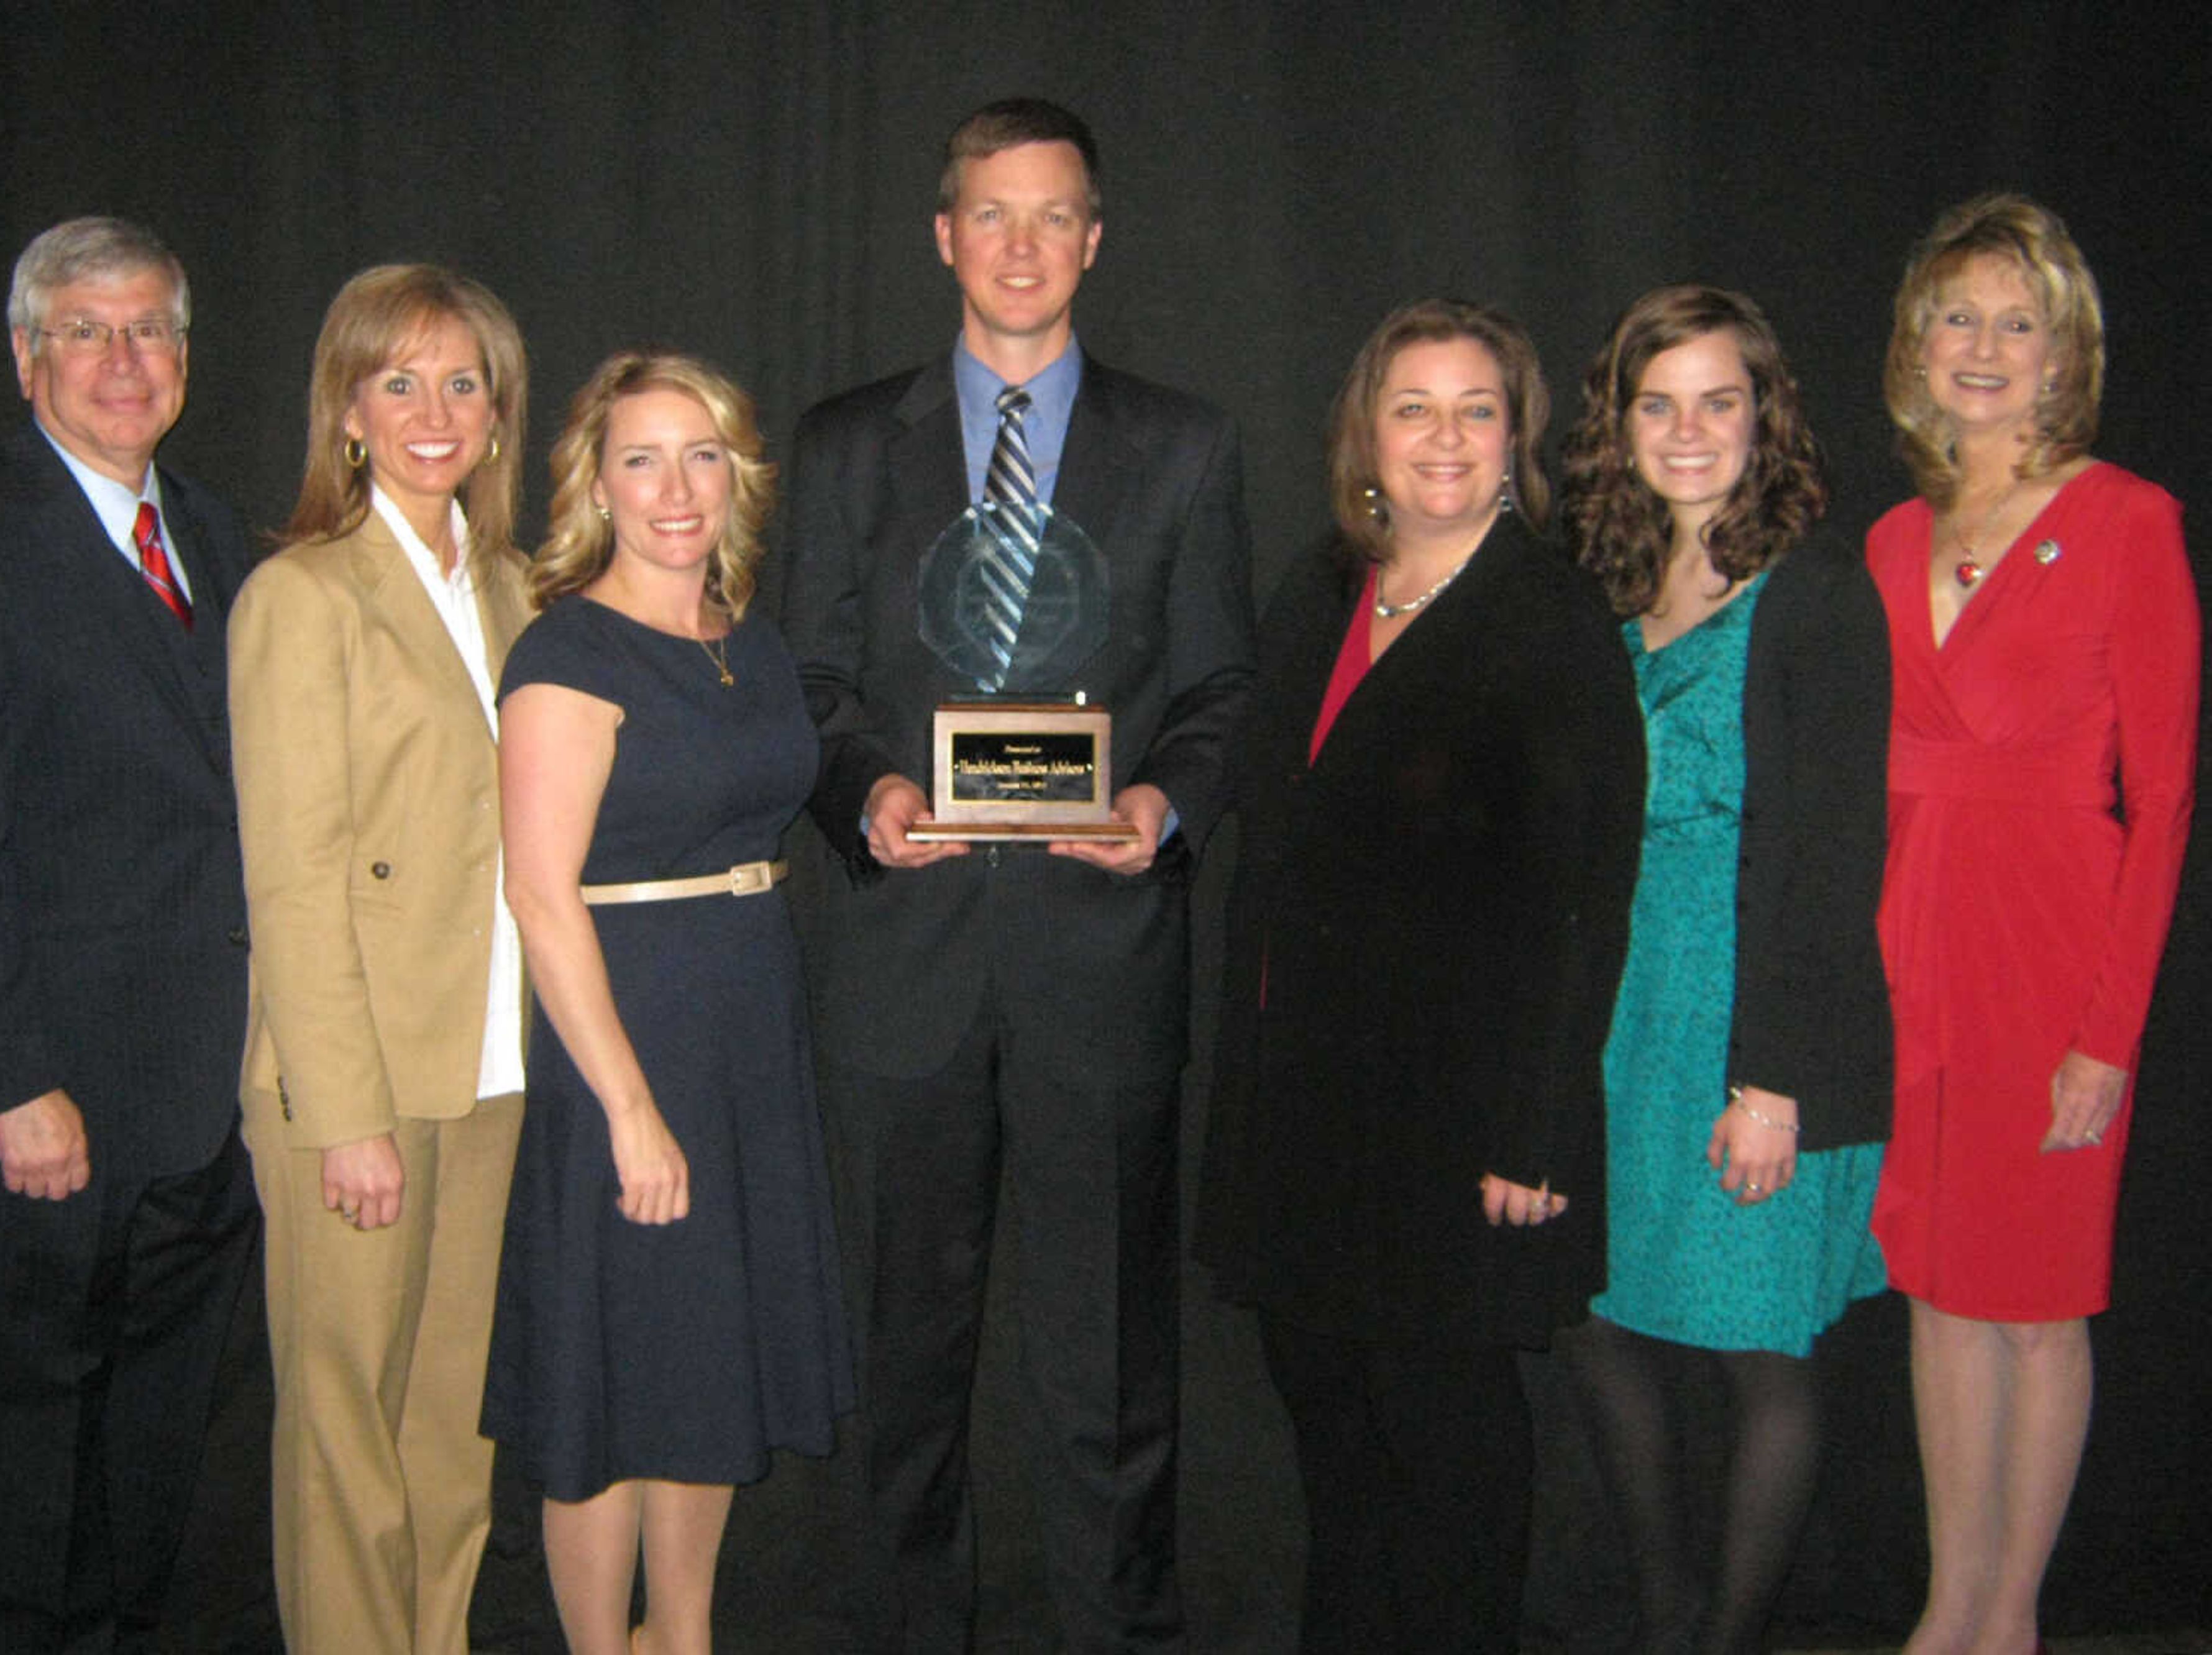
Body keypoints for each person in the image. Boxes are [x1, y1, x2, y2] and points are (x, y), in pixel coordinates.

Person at [774, 96, 1255, 1653]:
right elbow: (813, 687)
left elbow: (1220, 698)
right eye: (993, 213)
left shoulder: (1183, 445)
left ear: (1096, 241)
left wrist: (1162, 811)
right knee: (900, 1376)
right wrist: (868, 794)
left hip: (1100, 972)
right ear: (942, 235)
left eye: (1054, 217)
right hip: (900, 968)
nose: (1023, 245)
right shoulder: (852, 443)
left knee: (1111, 1381)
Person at [1197, 299, 1643, 1653]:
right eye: (1413, 409)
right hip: (1302, 1103)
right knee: (1328, 1417)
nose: (1441, 439)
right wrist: (1134, 816)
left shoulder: (1549, 618)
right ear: (1365, 437)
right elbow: (1248, 781)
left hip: (1460, 1120)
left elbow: (1588, 900)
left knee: (1444, 1437)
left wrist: (1541, 1129)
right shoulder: (1330, 585)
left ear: (1518, 439)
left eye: (1474, 410)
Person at [0, 216, 258, 1651]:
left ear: (188, 359)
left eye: (149, 328)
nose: (122, 359)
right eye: (84, 330)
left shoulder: (219, 538)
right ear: (27, 361)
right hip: (50, 1112)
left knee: (151, 1465)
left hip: (204, 1110)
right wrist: (17, 1084)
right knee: (27, 1472)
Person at [482, 352, 854, 1655]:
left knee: (708, 1352)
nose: (674, 486)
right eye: (640, 458)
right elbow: (540, 895)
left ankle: (679, 1635)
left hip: (745, 1027)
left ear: (737, 475)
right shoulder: (568, 648)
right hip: (629, 1036)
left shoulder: (745, 637)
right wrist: (629, 1109)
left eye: (701, 454)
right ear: (596, 482)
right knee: (615, 1367)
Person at [1866, 195, 2198, 1654]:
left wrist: (2108, 1034)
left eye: (2019, 322)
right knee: (1939, 1289)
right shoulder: (1887, 539)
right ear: (1916, 348)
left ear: (2067, 354)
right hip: (1914, 947)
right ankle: (1951, 1608)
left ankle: (2011, 1622)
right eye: (1958, 317)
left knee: (2037, 1306)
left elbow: (2170, 796)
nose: (1984, 347)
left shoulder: (2131, 523)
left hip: (2054, 951)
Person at [1558, 285, 1893, 1653]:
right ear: (1621, 422)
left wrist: (1773, 1082)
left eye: (1720, 400)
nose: (1689, 431)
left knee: (1763, 1353)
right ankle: (1665, 1614)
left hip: (1758, 1011)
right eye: (1660, 403)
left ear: (1766, 418)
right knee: (1597, 1317)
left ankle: (1727, 1639)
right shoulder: (1609, 583)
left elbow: (1829, 854)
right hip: (1621, 1012)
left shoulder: (1814, 592)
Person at [228, 264, 532, 1653]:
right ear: (347, 411)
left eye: (463, 380)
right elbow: (292, 881)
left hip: (493, 1072)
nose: (434, 408)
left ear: (498, 411)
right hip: (358, 1088)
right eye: (398, 380)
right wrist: (344, 1116)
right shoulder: (305, 594)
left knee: (452, 1424)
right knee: (344, 1433)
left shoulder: (523, 591)